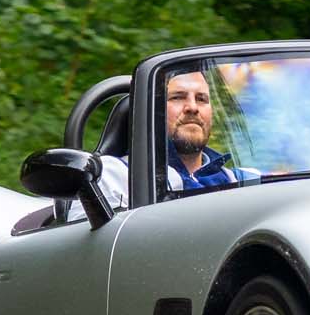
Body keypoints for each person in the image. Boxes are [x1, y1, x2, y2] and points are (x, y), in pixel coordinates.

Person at [70, 68, 255, 220]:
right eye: (177, 97)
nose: (192, 107)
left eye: (201, 99)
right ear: (152, 112)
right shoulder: (113, 176)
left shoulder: (242, 180)